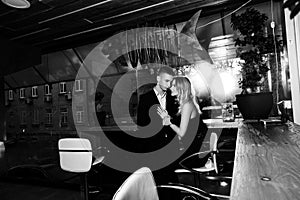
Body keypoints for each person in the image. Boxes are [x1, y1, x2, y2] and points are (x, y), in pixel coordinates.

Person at [157, 76, 207, 159]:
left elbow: (182, 133)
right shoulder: (186, 103)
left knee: (161, 161)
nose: (170, 88)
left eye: (173, 86)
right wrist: (167, 118)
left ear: (181, 88)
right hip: (192, 150)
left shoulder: (187, 105)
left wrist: (169, 123)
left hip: (193, 155)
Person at [136, 66, 178, 152]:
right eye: (166, 81)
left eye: (171, 82)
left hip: (172, 144)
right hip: (153, 144)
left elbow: (179, 119)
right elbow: (141, 124)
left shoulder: (173, 96)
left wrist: (169, 119)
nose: (169, 85)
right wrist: (161, 122)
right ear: (158, 79)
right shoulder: (145, 98)